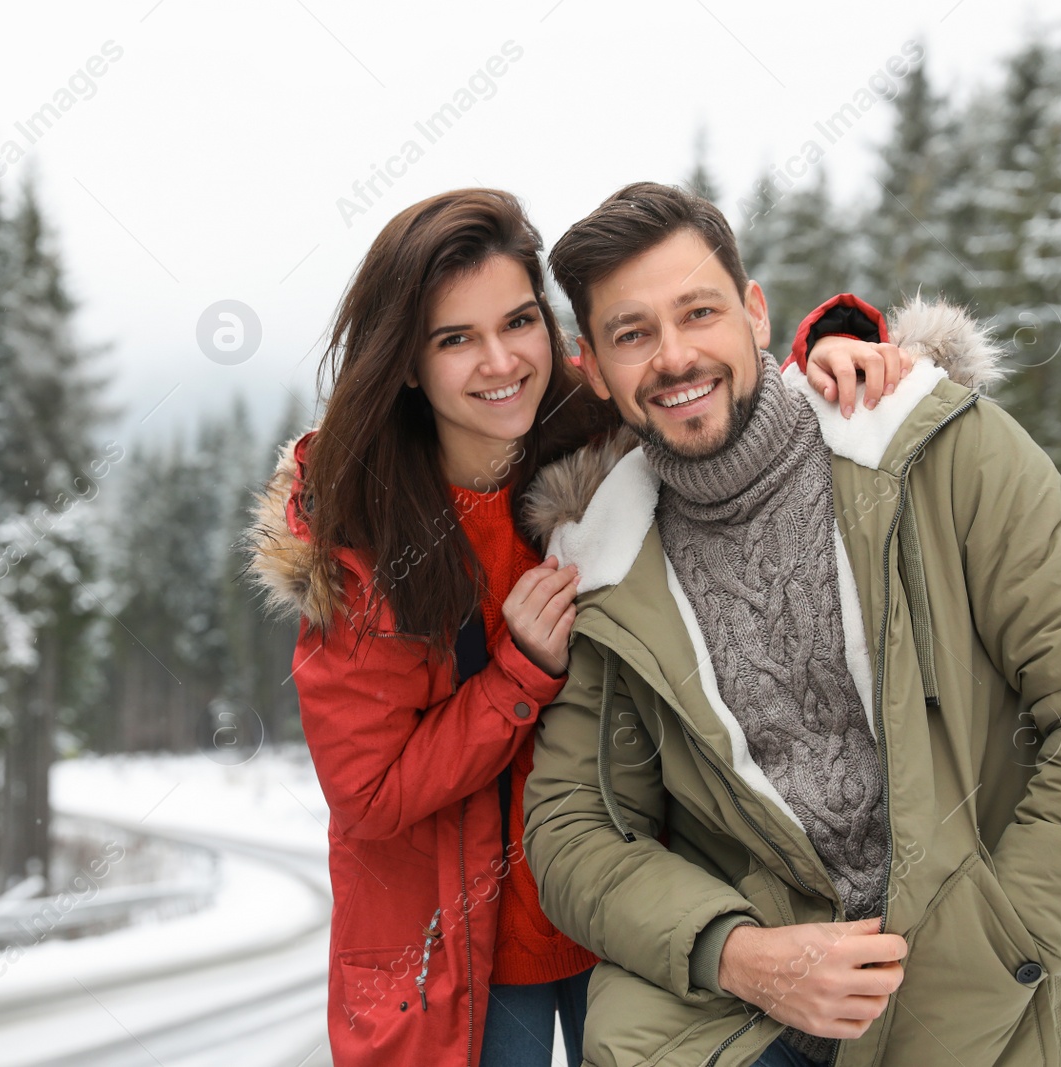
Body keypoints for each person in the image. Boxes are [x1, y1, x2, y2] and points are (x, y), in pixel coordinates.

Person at [520, 181, 1061, 1067]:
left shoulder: (937, 452)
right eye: (633, 333)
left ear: (755, 311)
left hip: (979, 1019)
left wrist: (983, 957)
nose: (675, 356)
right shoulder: (606, 565)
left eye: (699, 312)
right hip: (739, 1027)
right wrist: (732, 952)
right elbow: (571, 828)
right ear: (592, 362)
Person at [244, 187, 927, 1067]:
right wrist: (515, 676)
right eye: (455, 338)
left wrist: (833, 342)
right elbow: (369, 796)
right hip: (471, 958)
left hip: (637, 915)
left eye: (519, 321)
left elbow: (706, 385)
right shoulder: (366, 546)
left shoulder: (595, 436)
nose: (500, 361)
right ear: (407, 363)